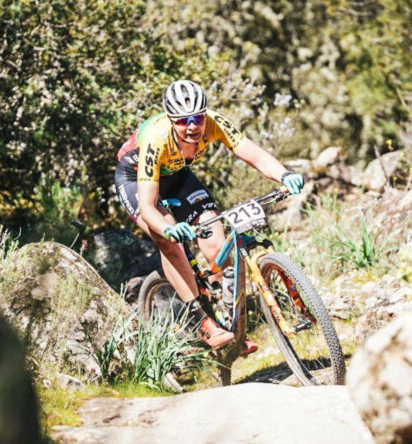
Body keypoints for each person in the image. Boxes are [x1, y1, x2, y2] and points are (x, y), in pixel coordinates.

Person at [114, 80, 304, 353]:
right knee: (170, 241)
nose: (191, 126)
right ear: (170, 119)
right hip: (137, 179)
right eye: (182, 121)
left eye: (197, 118)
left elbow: (255, 155)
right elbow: (148, 207)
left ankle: (228, 323)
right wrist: (168, 229)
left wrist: (284, 174)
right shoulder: (157, 139)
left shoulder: (213, 123)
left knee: (216, 242)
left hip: (177, 176)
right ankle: (202, 321)